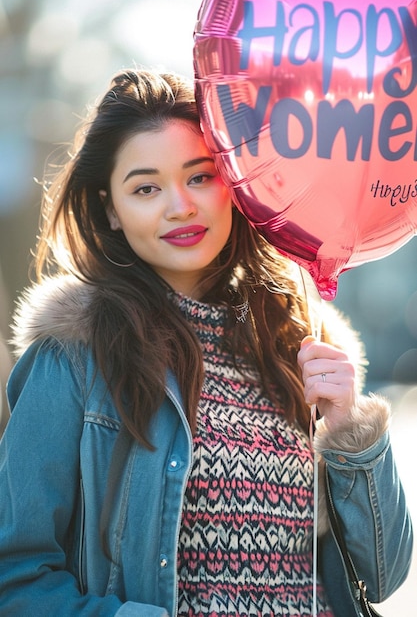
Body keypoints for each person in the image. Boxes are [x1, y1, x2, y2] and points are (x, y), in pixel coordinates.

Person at [0, 68, 412, 617]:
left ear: (238, 182)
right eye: (146, 188)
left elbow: (381, 577)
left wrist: (349, 430)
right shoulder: (76, 357)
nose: (180, 206)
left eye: (201, 177)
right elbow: (16, 575)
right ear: (110, 211)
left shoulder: (295, 343)